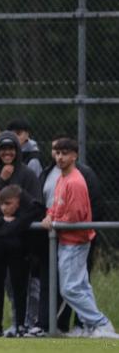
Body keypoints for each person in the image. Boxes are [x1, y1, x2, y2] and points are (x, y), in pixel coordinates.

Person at [40, 138, 118, 339]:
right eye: (57, 153)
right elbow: (56, 207)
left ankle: (101, 323)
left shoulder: (74, 181)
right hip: (67, 241)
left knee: (69, 289)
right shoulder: (61, 178)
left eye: (65, 153)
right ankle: (93, 326)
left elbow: (73, 216)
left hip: (75, 242)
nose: (60, 157)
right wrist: (50, 215)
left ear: (74, 155)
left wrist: (54, 222)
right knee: (81, 286)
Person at [0, 185, 44, 336]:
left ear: (18, 202)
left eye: (8, 204)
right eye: (1, 203)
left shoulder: (29, 211)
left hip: (18, 255)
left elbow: (36, 212)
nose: (3, 207)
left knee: (19, 288)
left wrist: (11, 225)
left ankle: (20, 325)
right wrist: (5, 222)